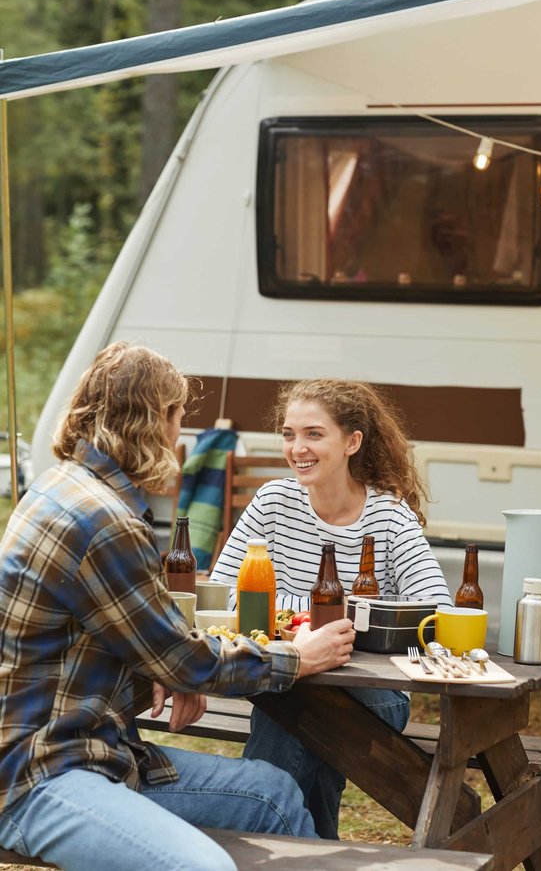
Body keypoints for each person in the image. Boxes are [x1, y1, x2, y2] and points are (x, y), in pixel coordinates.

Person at [0, 344, 355, 871]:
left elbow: (128, 638)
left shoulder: (62, 486)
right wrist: (296, 657)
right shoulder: (103, 521)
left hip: (89, 746)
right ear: (152, 419)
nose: (180, 433)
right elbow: (183, 658)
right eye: (178, 415)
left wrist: (156, 669)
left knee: (274, 793)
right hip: (41, 774)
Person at [212, 378, 452, 838]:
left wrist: (301, 616)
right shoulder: (274, 502)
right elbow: (222, 594)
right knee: (295, 699)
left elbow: (435, 612)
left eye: (313, 434)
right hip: (289, 677)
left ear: (352, 442)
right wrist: (322, 620)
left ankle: (249, 840)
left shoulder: (388, 515)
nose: (297, 448)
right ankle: (318, 849)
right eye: (288, 434)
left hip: (371, 691)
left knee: (293, 702)